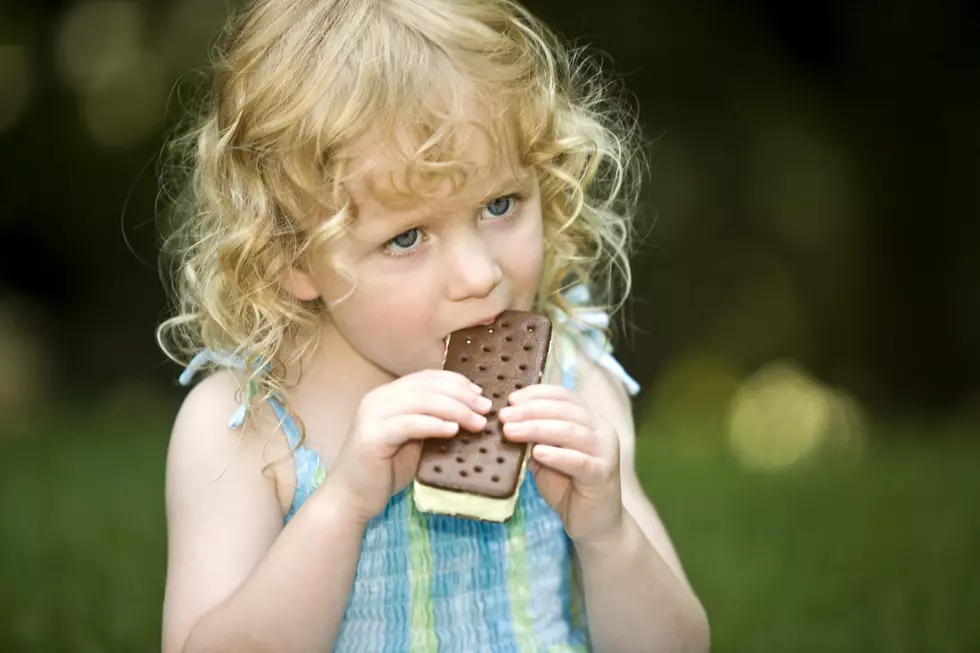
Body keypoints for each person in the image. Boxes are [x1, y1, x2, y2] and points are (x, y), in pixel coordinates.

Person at [157, 0, 709, 651]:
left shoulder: (572, 383)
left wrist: (607, 532)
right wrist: (343, 505)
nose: (478, 274)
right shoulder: (245, 427)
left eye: (500, 204)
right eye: (407, 236)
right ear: (291, 256)